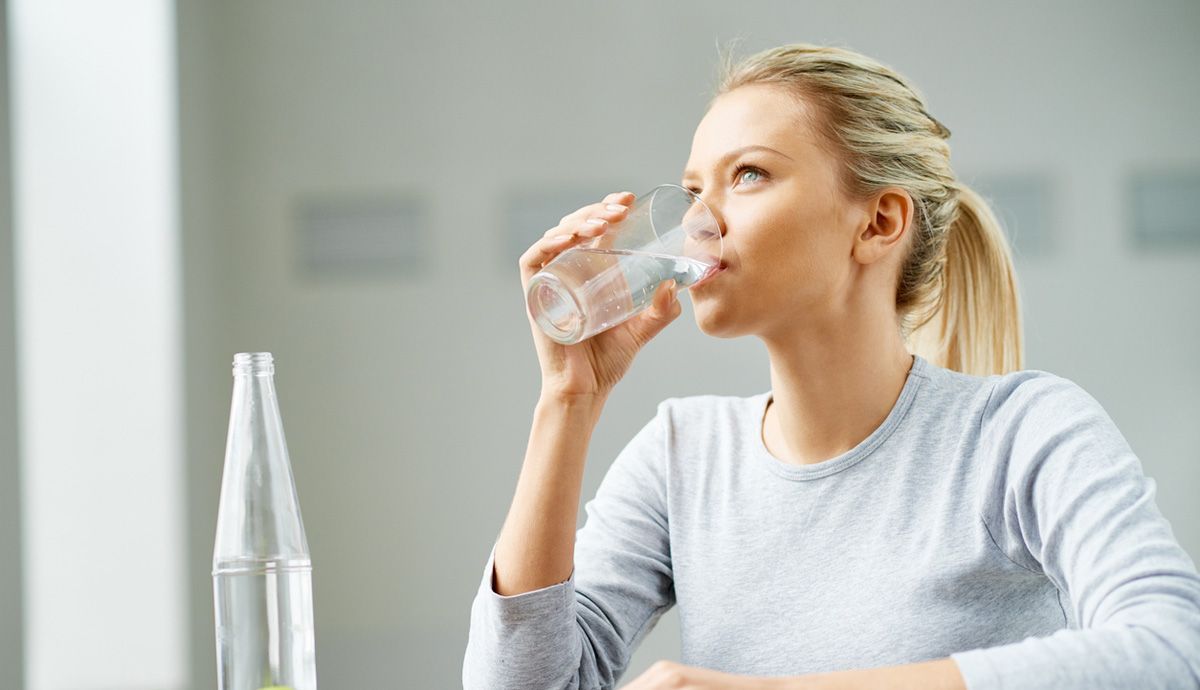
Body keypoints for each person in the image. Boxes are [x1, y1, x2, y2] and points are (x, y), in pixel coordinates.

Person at [462, 43, 1200, 690]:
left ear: (878, 223)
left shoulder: (1020, 434)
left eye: (747, 175)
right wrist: (567, 398)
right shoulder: (679, 456)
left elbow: (1171, 652)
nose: (696, 221)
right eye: (693, 191)